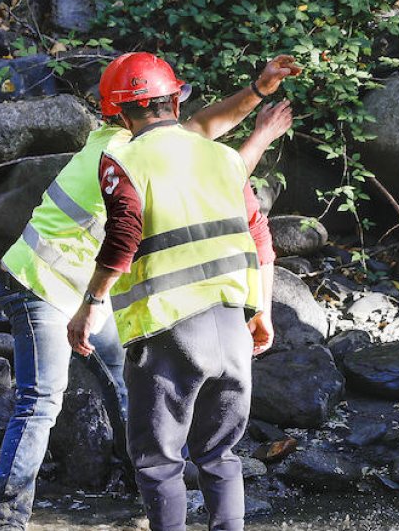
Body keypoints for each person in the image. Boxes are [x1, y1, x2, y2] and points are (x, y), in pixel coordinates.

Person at [0, 52, 298, 531]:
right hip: (43, 281)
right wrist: (259, 129)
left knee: (125, 384)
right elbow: (214, 161)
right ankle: (7, 517)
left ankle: (145, 489)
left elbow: (203, 134)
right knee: (44, 397)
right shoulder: (120, 155)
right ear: (170, 101)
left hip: (98, 285)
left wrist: (258, 91)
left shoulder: (142, 144)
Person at [67, 52, 278, 531]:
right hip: (232, 326)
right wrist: (261, 311)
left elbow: (124, 235)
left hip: (168, 330)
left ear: (118, 113)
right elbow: (259, 237)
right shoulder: (224, 157)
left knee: (159, 460)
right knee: (220, 454)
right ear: (175, 101)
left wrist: (92, 303)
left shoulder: (121, 158)